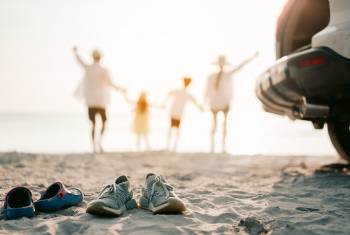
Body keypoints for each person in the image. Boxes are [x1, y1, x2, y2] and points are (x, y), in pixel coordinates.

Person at [73, 46, 125, 153]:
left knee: (93, 124)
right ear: (100, 58)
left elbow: (80, 61)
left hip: (91, 101)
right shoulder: (103, 70)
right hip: (100, 101)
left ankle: (94, 146)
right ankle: (98, 142)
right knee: (104, 122)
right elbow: (110, 83)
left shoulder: (89, 68)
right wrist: (119, 89)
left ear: (92, 57)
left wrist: (76, 52)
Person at [206, 52, 258, 153]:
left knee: (221, 123)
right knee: (217, 124)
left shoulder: (223, 75)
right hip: (217, 102)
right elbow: (207, 90)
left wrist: (252, 57)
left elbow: (241, 66)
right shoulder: (214, 76)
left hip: (222, 102)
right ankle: (214, 146)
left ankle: (221, 146)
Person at [163, 77, 203, 151]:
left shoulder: (184, 93)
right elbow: (196, 103)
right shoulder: (181, 92)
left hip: (178, 113)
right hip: (175, 113)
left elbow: (196, 103)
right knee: (173, 129)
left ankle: (172, 147)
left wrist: (201, 108)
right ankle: (169, 146)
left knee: (174, 129)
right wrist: (163, 104)